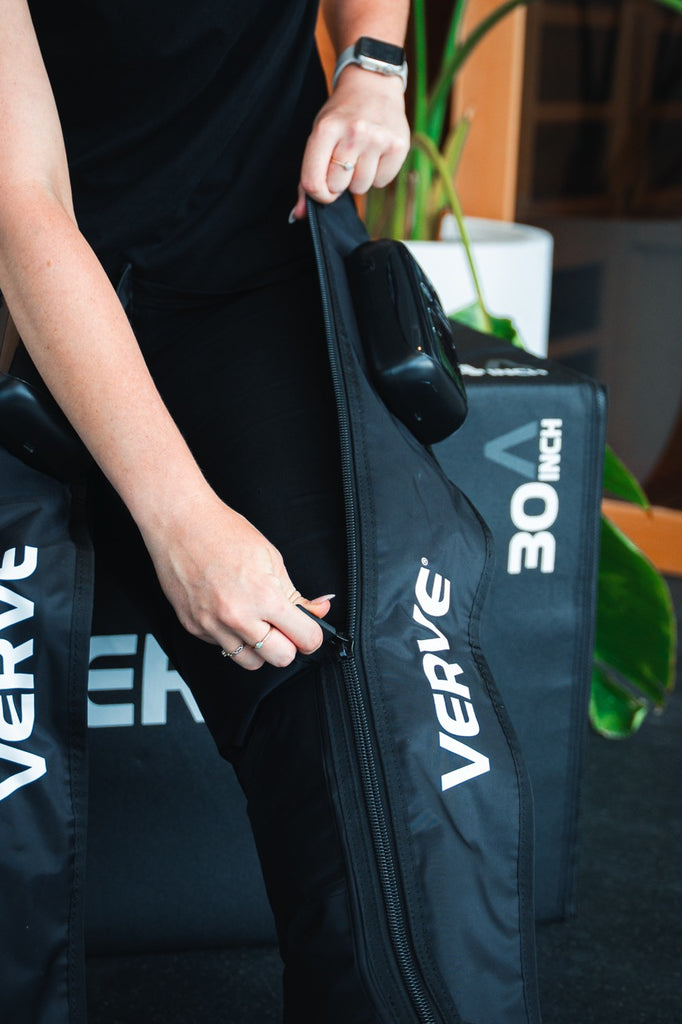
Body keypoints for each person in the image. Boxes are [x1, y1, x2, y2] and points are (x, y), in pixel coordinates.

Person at [0, 0, 411, 1015]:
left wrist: (372, 63)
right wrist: (181, 517)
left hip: (243, 252)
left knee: (355, 678)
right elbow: (21, 200)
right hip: (34, 268)